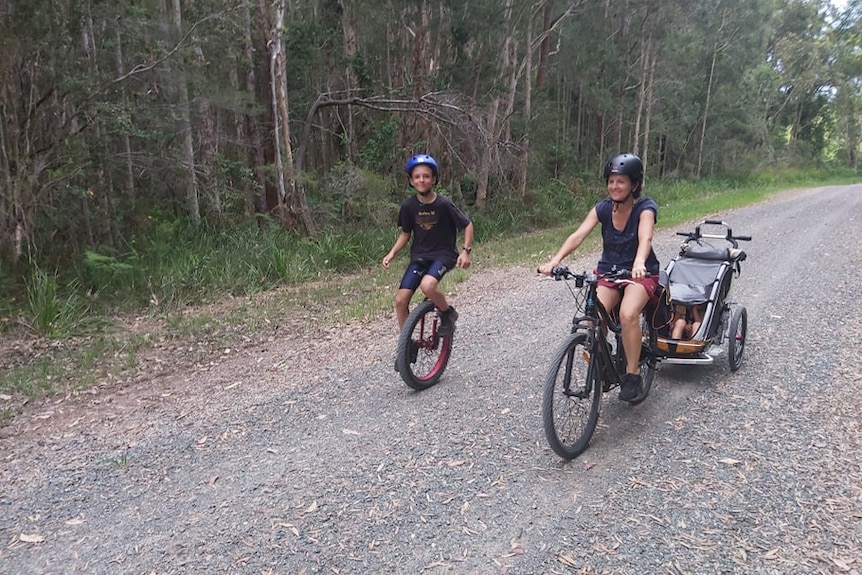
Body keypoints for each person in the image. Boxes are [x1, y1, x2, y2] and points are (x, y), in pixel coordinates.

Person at [538, 153, 660, 402]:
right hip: (608, 271)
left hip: (639, 273)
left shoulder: (645, 208)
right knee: (593, 319)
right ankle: (603, 362)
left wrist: (638, 262)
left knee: (627, 314)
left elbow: (645, 237)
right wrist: (555, 260)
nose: (614, 187)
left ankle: (633, 374)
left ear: (634, 185)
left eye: (621, 182)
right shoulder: (603, 208)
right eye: (611, 181)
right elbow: (578, 235)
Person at [382, 154, 474, 365]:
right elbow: (406, 233)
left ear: (433, 179)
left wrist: (465, 251)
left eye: (426, 176)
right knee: (400, 300)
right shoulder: (408, 207)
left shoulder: (443, 204)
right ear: (411, 180)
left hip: (444, 255)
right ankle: (407, 344)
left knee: (428, 286)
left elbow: (467, 225)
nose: (421, 180)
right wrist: (391, 254)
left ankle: (448, 314)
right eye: (417, 177)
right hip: (420, 258)